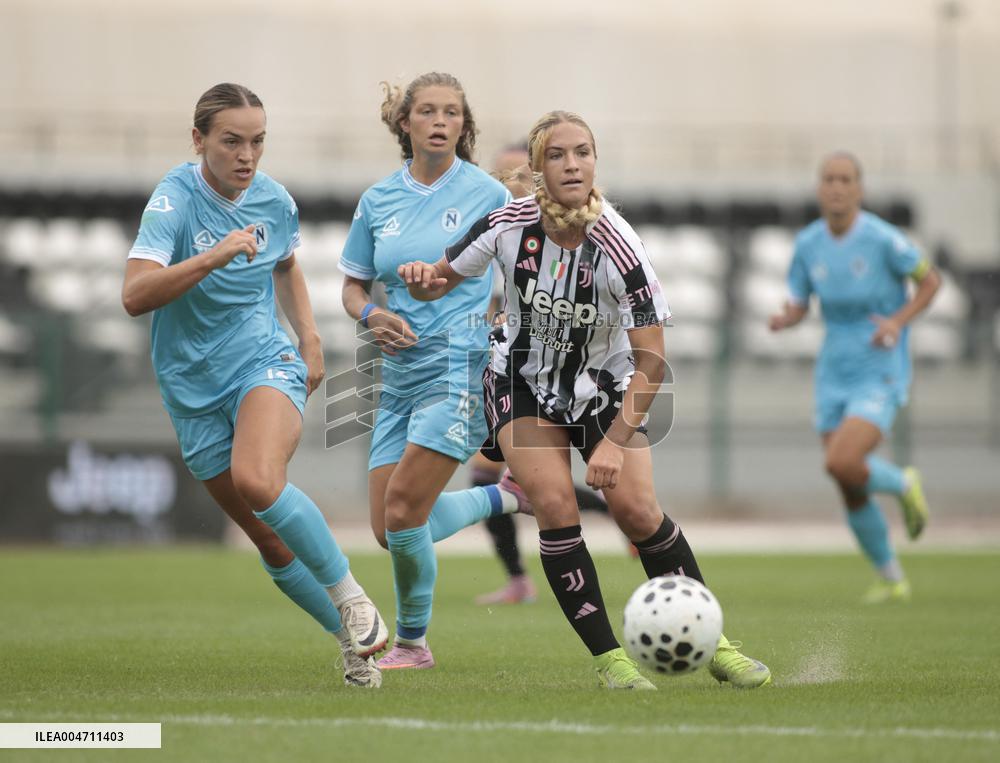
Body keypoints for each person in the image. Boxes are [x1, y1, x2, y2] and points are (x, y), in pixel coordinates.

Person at [398, 110, 771, 689]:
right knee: (554, 507)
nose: (572, 164)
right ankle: (611, 661)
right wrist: (425, 276)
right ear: (537, 168)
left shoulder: (621, 248)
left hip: (604, 388)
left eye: (583, 152)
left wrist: (615, 443)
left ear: (595, 162)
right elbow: (445, 274)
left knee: (638, 513)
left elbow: (651, 360)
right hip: (521, 382)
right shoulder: (505, 225)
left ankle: (716, 645)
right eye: (557, 154)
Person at [122, 83, 388, 689]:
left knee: (258, 479)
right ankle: (349, 642)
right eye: (232, 141)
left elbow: (287, 263)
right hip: (190, 388)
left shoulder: (273, 200)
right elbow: (135, 296)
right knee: (266, 538)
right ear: (199, 141)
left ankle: (352, 598)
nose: (247, 155)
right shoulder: (173, 200)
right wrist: (210, 258)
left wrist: (310, 339)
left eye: (258, 141)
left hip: (262, 362)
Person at [339, 73, 529, 671]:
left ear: (462, 126)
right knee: (387, 526)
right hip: (397, 375)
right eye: (427, 111)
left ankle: (413, 644)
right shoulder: (378, 201)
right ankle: (504, 498)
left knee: (403, 513)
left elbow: (524, 273)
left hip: (460, 367)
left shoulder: (488, 196)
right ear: (406, 123)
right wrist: (372, 314)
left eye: (452, 111)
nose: (440, 120)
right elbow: (351, 286)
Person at [769, 152, 939, 603]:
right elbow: (802, 302)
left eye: (845, 179)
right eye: (828, 179)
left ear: (859, 189)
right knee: (848, 483)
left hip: (878, 368)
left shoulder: (884, 239)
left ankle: (904, 484)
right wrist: (788, 318)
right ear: (819, 188)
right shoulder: (808, 244)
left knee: (841, 462)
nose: (836, 187)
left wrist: (898, 322)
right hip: (834, 370)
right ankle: (891, 578)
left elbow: (931, 281)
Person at [473, 142, 617, 607]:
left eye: (515, 174)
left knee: (512, 481)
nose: (506, 184)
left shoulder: (548, 235)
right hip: (504, 367)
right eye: (499, 175)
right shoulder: (500, 230)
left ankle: (611, 514)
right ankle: (520, 576)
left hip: (551, 376)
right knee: (503, 480)